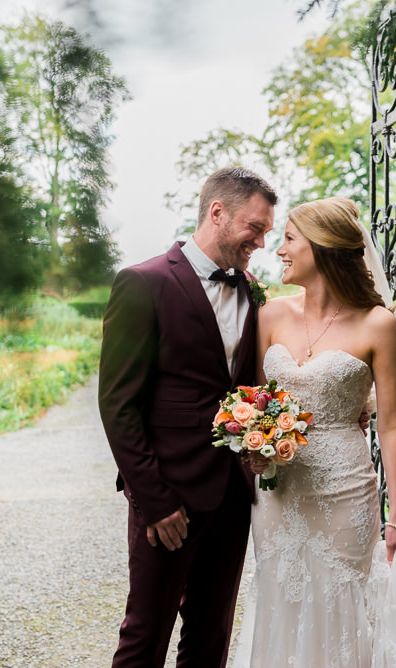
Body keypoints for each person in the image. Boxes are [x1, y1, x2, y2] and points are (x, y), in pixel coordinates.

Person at [233, 197, 396, 667]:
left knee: (343, 601)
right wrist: (255, 446)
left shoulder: (378, 324)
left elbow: (392, 423)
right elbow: (254, 401)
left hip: (345, 490)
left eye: (289, 239)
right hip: (280, 491)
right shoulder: (269, 315)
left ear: (324, 247)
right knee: (281, 592)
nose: (280, 250)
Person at [98, 167, 277, 667]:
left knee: (210, 636)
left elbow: (247, 387)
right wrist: (154, 501)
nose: (262, 241)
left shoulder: (250, 290)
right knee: (145, 636)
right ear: (217, 213)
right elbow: (117, 403)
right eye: (255, 228)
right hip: (168, 496)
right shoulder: (143, 283)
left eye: (266, 232)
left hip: (231, 495)